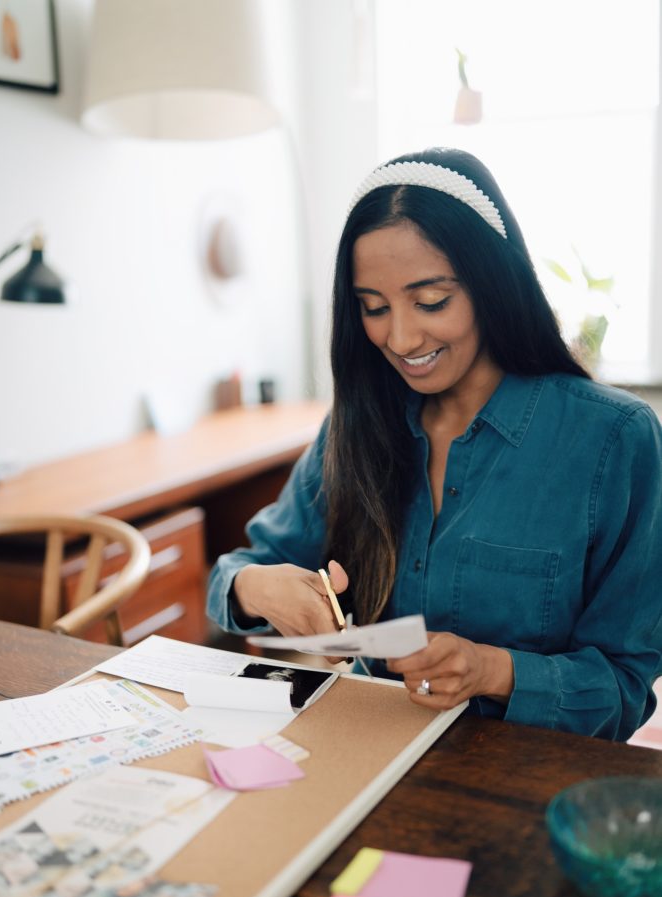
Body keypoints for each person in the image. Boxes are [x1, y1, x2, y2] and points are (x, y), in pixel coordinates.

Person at [208, 147, 662, 742]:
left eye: (431, 302)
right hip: (364, 759)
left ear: (493, 284)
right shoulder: (356, 428)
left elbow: (625, 688)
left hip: (525, 783)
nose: (400, 337)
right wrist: (255, 587)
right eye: (373, 308)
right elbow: (235, 573)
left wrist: (494, 671)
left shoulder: (613, 440)